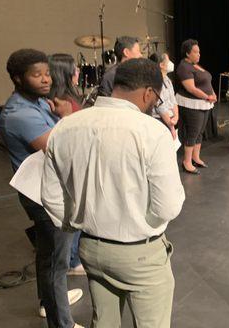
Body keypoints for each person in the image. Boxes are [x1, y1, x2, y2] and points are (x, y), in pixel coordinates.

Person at [41, 59, 185, 328]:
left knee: (104, 322)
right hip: (140, 254)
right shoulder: (152, 132)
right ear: (148, 93)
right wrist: (141, 225)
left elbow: (50, 195)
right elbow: (168, 206)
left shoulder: (66, 127)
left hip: (91, 249)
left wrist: (75, 224)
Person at [0, 49, 84, 328]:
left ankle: (49, 305)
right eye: (37, 75)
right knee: (56, 264)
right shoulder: (21, 114)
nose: (46, 80)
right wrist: (68, 117)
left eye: (47, 73)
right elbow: (61, 148)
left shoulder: (37, 103)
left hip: (49, 189)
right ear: (17, 78)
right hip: (44, 197)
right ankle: (62, 323)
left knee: (48, 258)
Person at [48, 53, 85, 276]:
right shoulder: (60, 100)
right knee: (71, 216)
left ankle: (73, 257)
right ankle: (71, 261)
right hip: (69, 165)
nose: (78, 73)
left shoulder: (68, 96)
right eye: (75, 69)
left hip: (76, 163)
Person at [175, 39, 217, 174]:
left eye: (199, 52)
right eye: (195, 52)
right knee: (193, 133)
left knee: (200, 133)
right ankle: (186, 162)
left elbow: (207, 82)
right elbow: (191, 88)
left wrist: (214, 94)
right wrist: (207, 97)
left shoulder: (196, 65)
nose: (199, 54)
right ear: (187, 53)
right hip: (192, 104)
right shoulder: (184, 67)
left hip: (204, 104)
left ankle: (196, 158)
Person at [149, 52, 179, 140]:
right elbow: (160, 106)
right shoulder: (154, 81)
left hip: (170, 119)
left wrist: (176, 117)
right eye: (168, 60)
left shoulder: (167, 79)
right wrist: (171, 126)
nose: (170, 63)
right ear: (161, 65)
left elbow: (173, 100)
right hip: (159, 120)